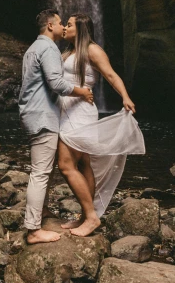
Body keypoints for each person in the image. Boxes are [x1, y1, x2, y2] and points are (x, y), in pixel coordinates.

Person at [58, 12, 144, 237]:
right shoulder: (69, 52)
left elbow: (111, 75)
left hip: (80, 113)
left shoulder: (93, 50)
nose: (64, 28)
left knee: (66, 165)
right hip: (65, 111)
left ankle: (91, 217)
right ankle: (86, 216)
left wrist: (125, 96)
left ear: (82, 29)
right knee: (84, 164)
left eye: (68, 25)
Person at [19, 9, 94, 244]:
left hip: (33, 114)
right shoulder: (49, 48)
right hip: (43, 116)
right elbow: (56, 83)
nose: (63, 26)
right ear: (50, 25)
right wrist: (82, 91)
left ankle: (42, 213)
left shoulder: (33, 48)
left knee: (44, 170)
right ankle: (33, 230)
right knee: (40, 173)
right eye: (61, 22)